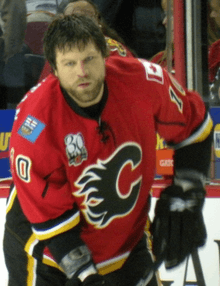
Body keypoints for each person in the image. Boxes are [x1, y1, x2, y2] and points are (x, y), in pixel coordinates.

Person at [3, 14, 213, 286]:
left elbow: (194, 127)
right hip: (47, 254)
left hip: (126, 242)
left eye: (89, 59)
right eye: (69, 63)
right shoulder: (34, 126)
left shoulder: (144, 82)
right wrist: (87, 276)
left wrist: (187, 192)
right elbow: (49, 220)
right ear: (54, 69)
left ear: (104, 55)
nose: (82, 71)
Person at [38, 0, 136, 83]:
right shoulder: (59, 49)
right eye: (73, 18)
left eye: (87, 17)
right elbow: (44, 89)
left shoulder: (113, 49)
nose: (80, 23)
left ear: (98, 23)